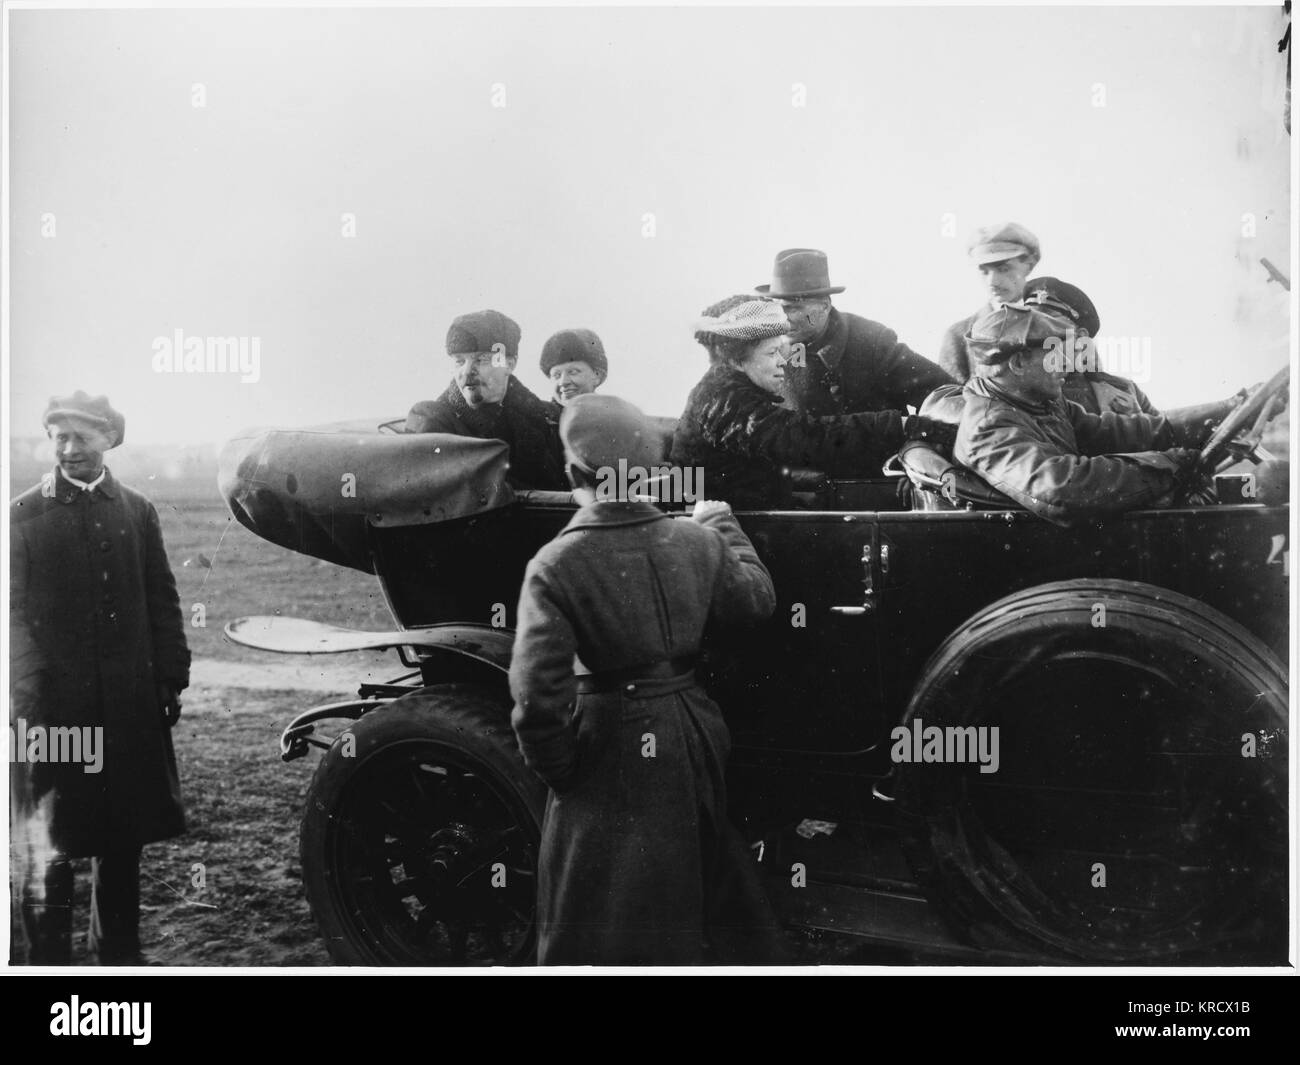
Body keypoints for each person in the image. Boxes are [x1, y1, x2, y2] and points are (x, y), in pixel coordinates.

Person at [509, 393, 785, 965]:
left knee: (601, 910)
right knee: (702, 886)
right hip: (694, 728)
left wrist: (563, 774)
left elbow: (538, 698)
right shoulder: (695, 538)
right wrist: (723, 527)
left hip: (610, 742)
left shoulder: (556, 564)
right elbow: (756, 602)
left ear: (573, 472)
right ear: (650, 472)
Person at [10, 392, 190, 965]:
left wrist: (169, 677)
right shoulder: (20, 516)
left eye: (81, 437)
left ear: (109, 440)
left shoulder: (136, 511)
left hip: (126, 710)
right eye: (57, 436)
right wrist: (29, 687)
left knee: (121, 839)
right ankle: (47, 964)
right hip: (49, 717)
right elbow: (7, 612)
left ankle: (118, 956)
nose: (68, 449)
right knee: (48, 845)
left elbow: (161, 598)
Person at [953, 305, 1245, 527]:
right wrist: (1170, 466)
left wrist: (1225, 409)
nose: (1068, 364)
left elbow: (1116, 431)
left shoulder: (1040, 401)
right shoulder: (988, 424)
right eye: (1055, 354)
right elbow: (1061, 488)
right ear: (1017, 363)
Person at [671, 296, 952, 509]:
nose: (784, 362)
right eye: (771, 353)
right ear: (735, 360)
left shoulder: (727, 388)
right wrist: (903, 426)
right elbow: (805, 437)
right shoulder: (722, 400)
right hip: (726, 532)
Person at [756, 248, 953, 417]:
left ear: (824, 306)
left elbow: (941, 393)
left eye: (792, 308)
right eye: (777, 307)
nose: (782, 318)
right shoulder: (765, 350)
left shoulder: (871, 341)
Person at [405, 309, 567, 490]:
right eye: (459, 361)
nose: (467, 371)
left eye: (481, 359)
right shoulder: (433, 422)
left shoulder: (547, 418)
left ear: (510, 364)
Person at [938, 222, 1041, 383]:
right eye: (984, 272)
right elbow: (950, 402)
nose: (993, 282)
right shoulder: (959, 336)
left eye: (1004, 269)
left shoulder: (1055, 325)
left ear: (1028, 265)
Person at [540, 327, 607, 411]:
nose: (563, 382)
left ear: (597, 376)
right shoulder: (539, 418)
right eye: (557, 375)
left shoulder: (615, 419)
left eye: (573, 372)